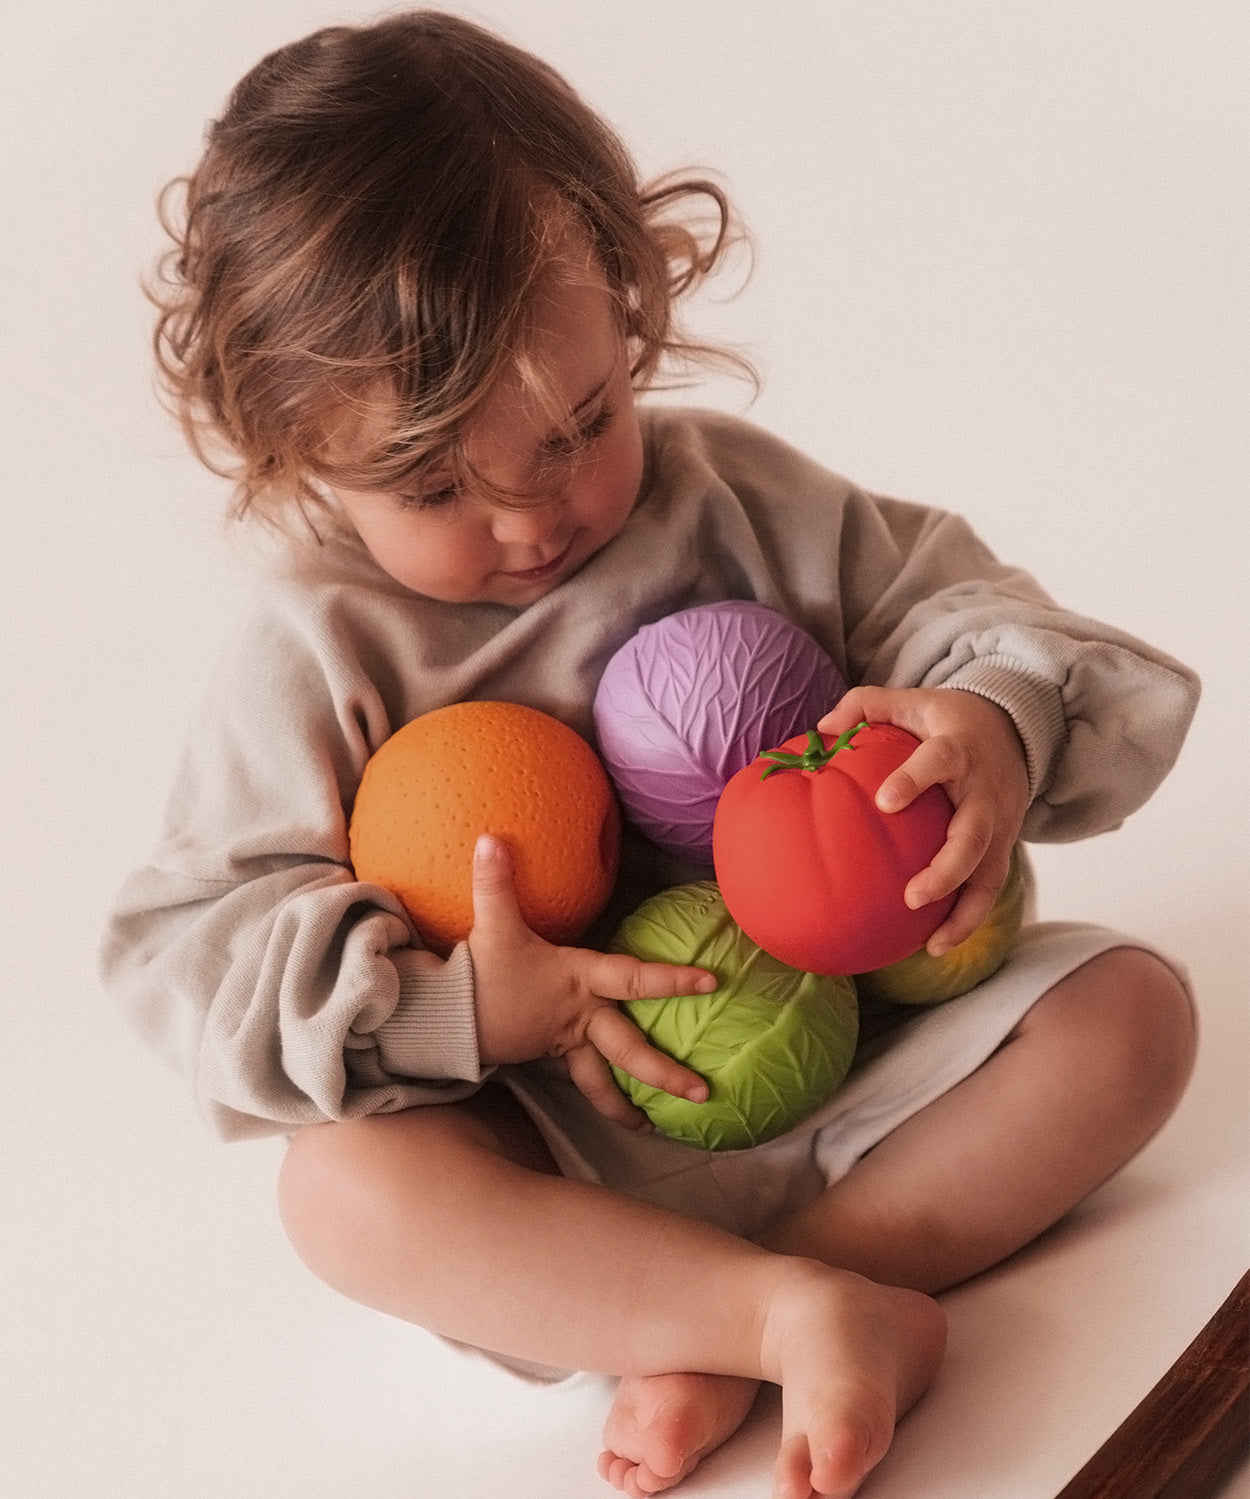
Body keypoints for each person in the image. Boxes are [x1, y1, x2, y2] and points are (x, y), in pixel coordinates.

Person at [100, 13, 1200, 1498]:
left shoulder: (731, 499)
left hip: (861, 1047)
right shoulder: (319, 646)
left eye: (577, 425)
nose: (532, 518)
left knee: (1130, 1019)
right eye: (433, 481)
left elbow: (968, 609)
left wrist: (988, 724)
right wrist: (459, 1011)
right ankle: (768, 1312)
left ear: (631, 307)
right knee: (344, 1194)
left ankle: (751, 1309)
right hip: (559, 1145)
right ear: (291, 449)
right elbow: (191, 949)